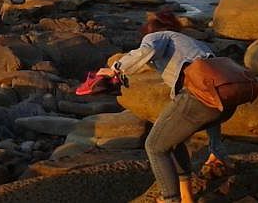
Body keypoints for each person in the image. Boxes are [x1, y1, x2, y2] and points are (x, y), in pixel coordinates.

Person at [97, 11, 234, 203]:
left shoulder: (159, 35)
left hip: (196, 99)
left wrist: (115, 68)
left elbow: (147, 51)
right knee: (173, 142)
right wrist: (215, 150)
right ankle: (187, 197)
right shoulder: (196, 45)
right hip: (227, 102)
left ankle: (170, 199)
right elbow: (214, 97)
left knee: (154, 146)